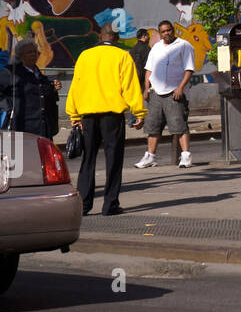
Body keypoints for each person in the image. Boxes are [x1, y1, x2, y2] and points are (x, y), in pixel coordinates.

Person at [67, 25, 144, 216]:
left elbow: (76, 85)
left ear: (100, 36)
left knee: (88, 159)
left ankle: (84, 205)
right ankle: (110, 205)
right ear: (116, 38)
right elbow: (130, 87)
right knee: (114, 159)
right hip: (112, 116)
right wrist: (139, 112)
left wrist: (74, 114)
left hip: (88, 115)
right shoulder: (122, 56)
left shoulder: (85, 56)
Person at [134, 20, 196, 169]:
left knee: (179, 125)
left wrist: (180, 88)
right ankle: (150, 157)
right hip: (156, 93)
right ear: (159, 33)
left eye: (168, 30)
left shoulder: (184, 45)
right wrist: (146, 87)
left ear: (173, 30)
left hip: (174, 92)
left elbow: (189, 69)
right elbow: (149, 69)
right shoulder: (156, 47)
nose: (166, 33)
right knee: (153, 127)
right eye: (163, 31)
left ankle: (186, 156)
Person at [0, 40, 60, 138]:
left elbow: (41, 90)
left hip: (42, 127)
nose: (33, 55)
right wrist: (6, 107)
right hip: (22, 127)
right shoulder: (13, 72)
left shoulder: (38, 74)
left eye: (35, 52)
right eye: (29, 52)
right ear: (21, 56)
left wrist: (52, 86)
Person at [125, 28, 151, 128]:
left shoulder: (133, 49)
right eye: (147, 35)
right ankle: (152, 119)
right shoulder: (147, 48)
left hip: (133, 77)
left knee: (135, 99)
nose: (149, 37)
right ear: (144, 36)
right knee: (150, 98)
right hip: (144, 77)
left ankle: (132, 120)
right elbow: (149, 65)